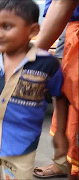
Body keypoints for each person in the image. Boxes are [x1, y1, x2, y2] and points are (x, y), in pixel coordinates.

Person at [0, 0, 63, 179]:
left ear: (33, 31)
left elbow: (60, 96)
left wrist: (60, 132)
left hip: (21, 143)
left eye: (6, 26)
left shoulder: (46, 64)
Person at [35, 0, 79, 179]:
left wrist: (31, 57)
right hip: (66, 27)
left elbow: (63, 2)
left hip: (71, 25)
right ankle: (64, 163)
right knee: (63, 95)